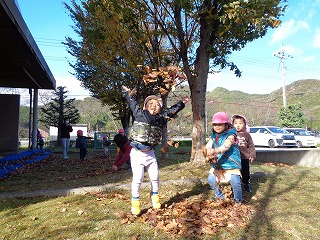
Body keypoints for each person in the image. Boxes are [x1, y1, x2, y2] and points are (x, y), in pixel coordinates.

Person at [122, 85, 190, 215]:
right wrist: (127, 93)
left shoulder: (161, 118)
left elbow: (172, 111)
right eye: (151, 103)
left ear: (160, 107)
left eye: (157, 104)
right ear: (146, 106)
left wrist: (182, 103)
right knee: (138, 178)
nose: (154, 106)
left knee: (155, 177)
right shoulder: (139, 114)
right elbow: (132, 102)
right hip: (137, 153)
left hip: (150, 153)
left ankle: (155, 197)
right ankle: (135, 203)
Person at [204, 112, 242, 204]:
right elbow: (209, 145)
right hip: (219, 163)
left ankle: (238, 200)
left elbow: (225, 147)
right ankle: (219, 197)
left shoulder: (231, 135)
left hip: (231, 163)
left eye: (220, 124)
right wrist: (207, 150)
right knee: (211, 180)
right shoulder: (213, 136)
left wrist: (214, 151)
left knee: (235, 183)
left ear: (226, 124)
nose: (217, 127)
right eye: (215, 125)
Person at [232, 114, 256, 193]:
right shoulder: (231, 134)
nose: (238, 125)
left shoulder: (247, 135)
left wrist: (252, 155)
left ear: (245, 125)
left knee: (245, 172)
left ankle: (246, 183)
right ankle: (235, 185)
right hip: (234, 158)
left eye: (240, 123)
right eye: (235, 123)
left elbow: (251, 146)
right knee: (235, 172)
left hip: (244, 157)